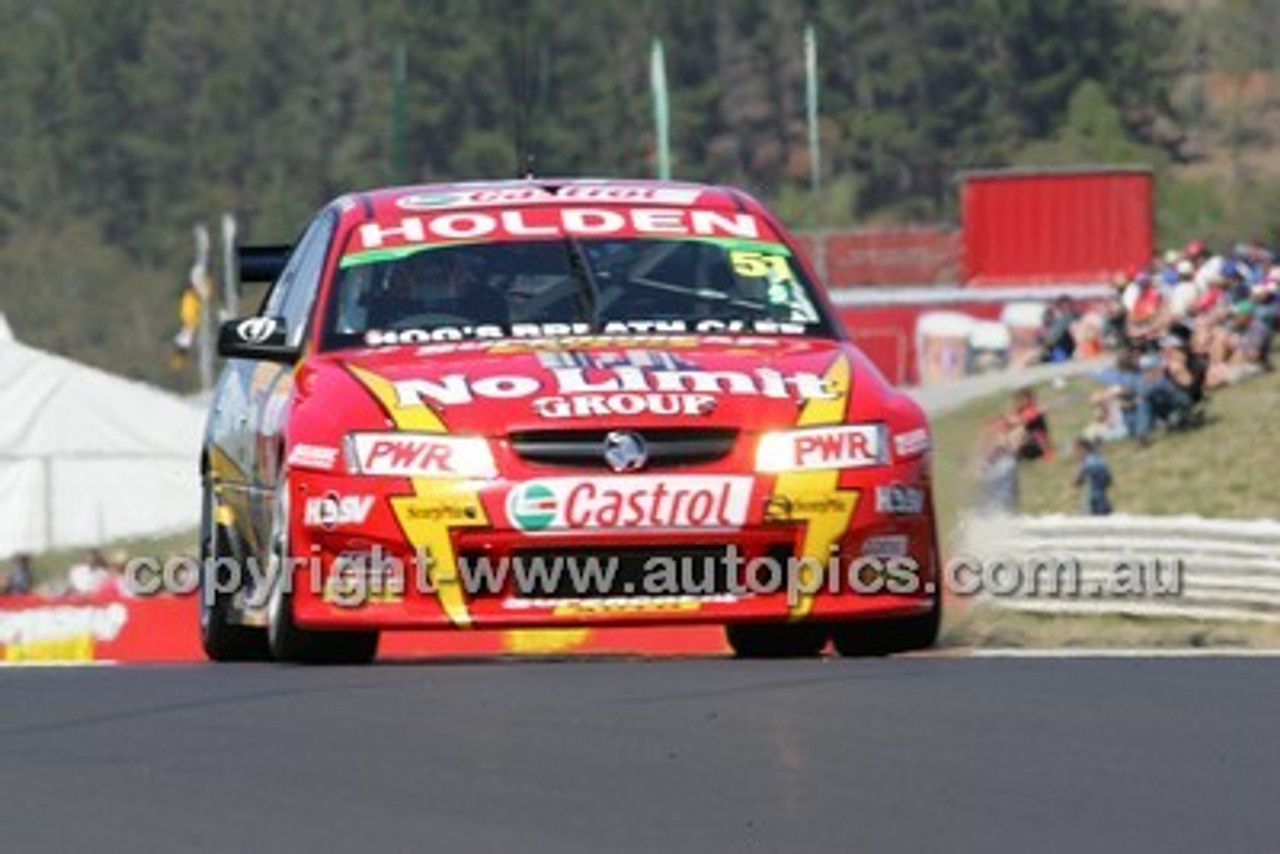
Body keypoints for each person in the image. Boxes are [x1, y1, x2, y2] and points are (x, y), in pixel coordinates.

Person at [1073, 438, 1113, 516]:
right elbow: (1109, 481)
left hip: (1093, 502)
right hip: (1104, 501)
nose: (1076, 454)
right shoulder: (1102, 460)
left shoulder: (1086, 462)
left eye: (1077, 451)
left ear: (1083, 449)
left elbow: (1077, 482)